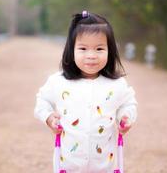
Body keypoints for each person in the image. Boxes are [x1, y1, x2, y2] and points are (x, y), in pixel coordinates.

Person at [34, 10, 138, 173]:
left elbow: (128, 103)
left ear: (110, 51)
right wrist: (48, 117)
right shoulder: (59, 82)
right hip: (70, 164)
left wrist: (126, 117)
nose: (91, 55)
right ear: (71, 50)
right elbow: (42, 101)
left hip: (104, 165)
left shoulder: (116, 85)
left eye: (99, 49)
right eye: (83, 48)